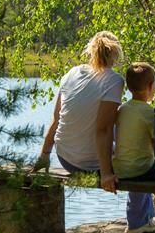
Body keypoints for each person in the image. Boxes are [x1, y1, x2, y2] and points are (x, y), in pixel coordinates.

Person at [33, 31, 123, 193]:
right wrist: (106, 173)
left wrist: (44, 156)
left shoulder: (71, 73)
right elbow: (104, 129)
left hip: (65, 159)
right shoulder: (113, 80)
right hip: (93, 166)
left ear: (91, 51)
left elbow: (56, 120)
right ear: (116, 54)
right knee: (129, 122)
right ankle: (144, 217)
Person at [113, 62, 155, 233]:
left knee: (142, 169)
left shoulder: (121, 109)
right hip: (141, 169)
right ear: (150, 86)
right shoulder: (149, 113)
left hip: (119, 167)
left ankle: (143, 219)